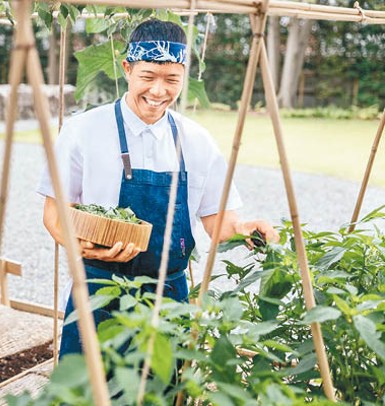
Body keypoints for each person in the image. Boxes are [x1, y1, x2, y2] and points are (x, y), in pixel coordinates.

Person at [36, 19, 279, 359]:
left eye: (171, 80)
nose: (158, 91)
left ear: (184, 76)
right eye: (147, 77)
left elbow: (217, 220)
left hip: (169, 297)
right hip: (99, 288)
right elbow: (55, 215)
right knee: (86, 391)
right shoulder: (83, 131)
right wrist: (87, 248)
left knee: (161, 392)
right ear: (127, 69)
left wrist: (243, 229)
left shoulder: (197, 141)